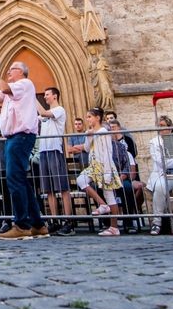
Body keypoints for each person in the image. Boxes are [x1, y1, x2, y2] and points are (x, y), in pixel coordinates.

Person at [0, 60, 47, 240]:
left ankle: (21, 225)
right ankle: (38, 225)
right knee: (21, 181)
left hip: (21, 137)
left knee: (14, 179)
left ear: (22, 72)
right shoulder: (10, 93)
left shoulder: (25, 84)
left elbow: (5, 87)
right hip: (13, 138)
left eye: (12, 69)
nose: (9, 72)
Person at [77, 108, 128, 237]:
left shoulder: (103, 131)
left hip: (104, 165)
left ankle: (114, 226)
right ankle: (103, 204)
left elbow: (107, 151)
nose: (88, 119)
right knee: (81, 180)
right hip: (94, 165)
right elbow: (87, 148)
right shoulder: (91, 132)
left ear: (97, 118)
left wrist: (107, 172)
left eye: (90, 117)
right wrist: (88, 137)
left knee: (109, 194)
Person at [36, 87, 74, 236]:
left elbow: (44, 113)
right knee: (49, 190)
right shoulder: (44, 117)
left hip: (55, 151)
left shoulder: (59, 110)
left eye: (47, 95)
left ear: (55, 96)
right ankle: (54, 220)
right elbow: (37, 118)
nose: (45, 97)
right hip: (43, 152)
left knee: (62, 187)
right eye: (44, 95)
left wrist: (32, 97)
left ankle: (68, 221)